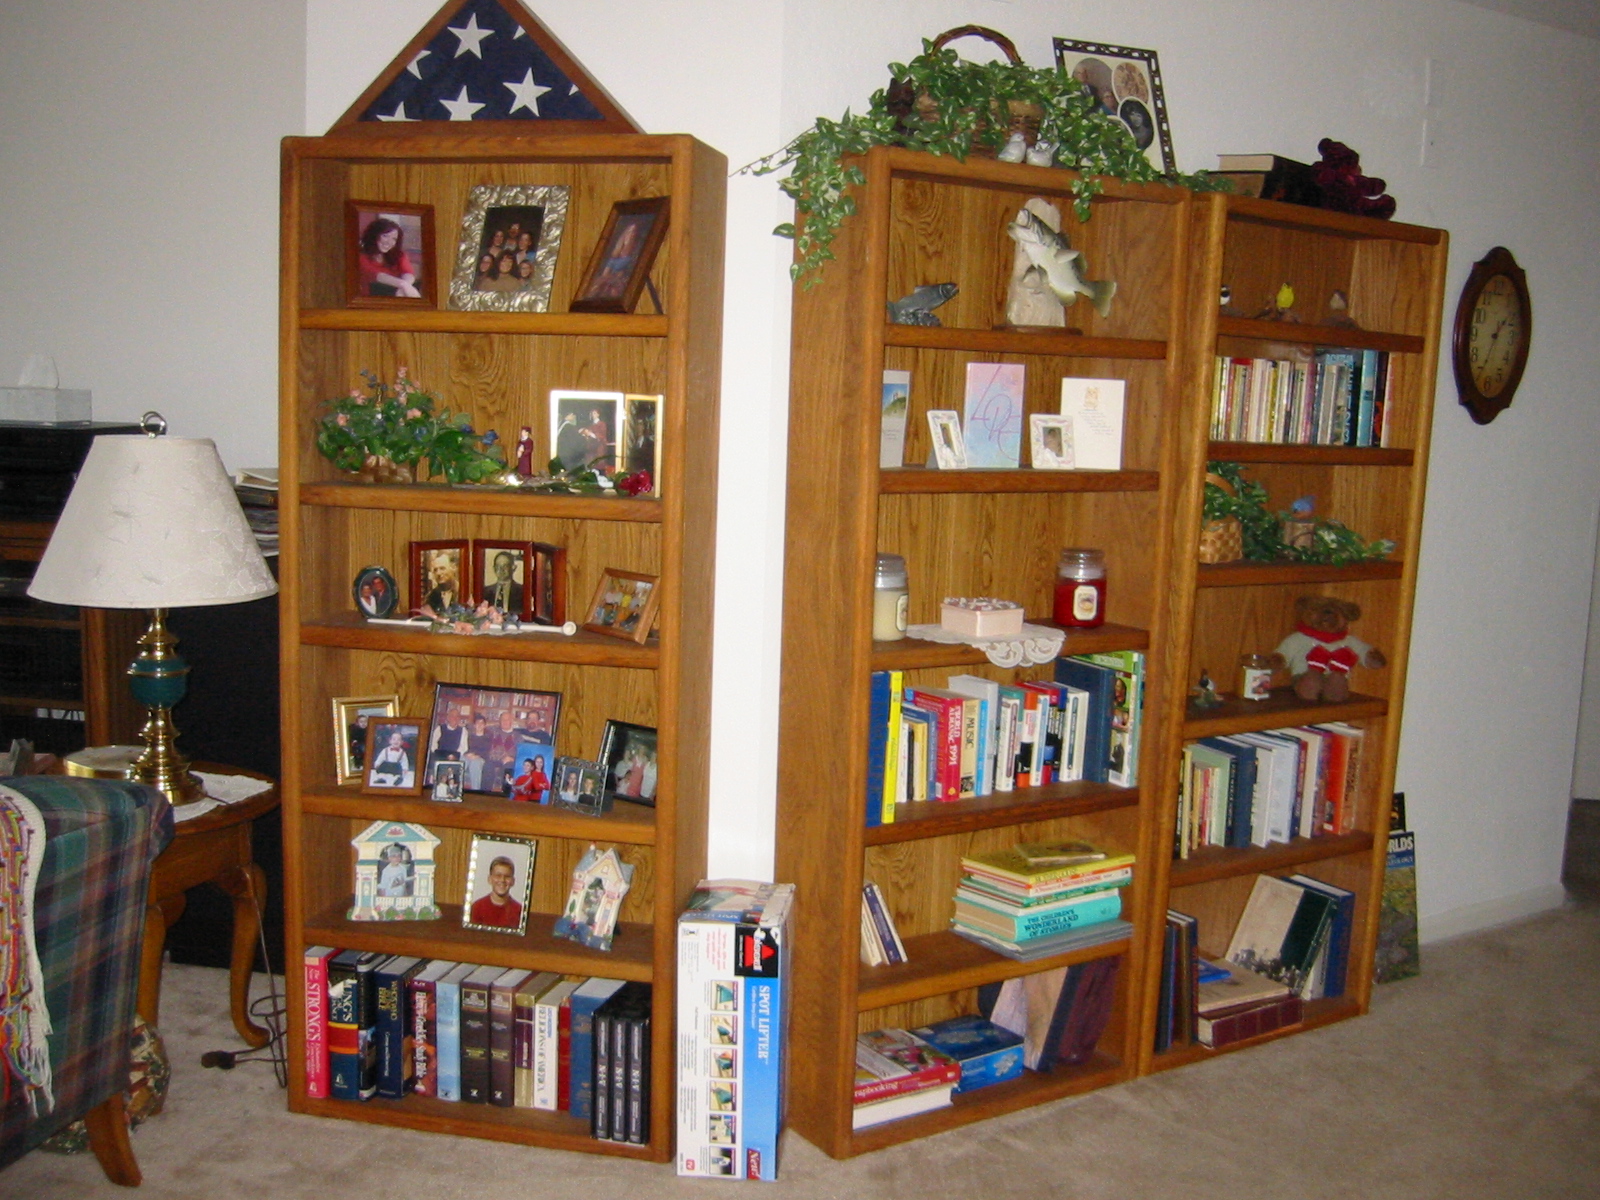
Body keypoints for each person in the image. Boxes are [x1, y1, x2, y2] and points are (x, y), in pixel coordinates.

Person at [357, 217, 420, 298]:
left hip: (398, 294)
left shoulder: (399, 255)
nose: (389, 242)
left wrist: (405, 287)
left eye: (394, 239)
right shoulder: (360, 257)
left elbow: (408, 273)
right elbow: (377, 276)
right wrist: (403, 285)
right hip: (373, 298)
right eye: (385, 236)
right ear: (374, 235)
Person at [469, 855, 522, 928]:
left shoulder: (519, 911)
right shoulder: (477, 908)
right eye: (498, 876)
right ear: (489, 879)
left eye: (507, 876)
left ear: (513, 881)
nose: (502, 880)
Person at [426, 704, 470, 782]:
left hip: (455, 755)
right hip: (440, 754)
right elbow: (433, 744)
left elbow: (464, 747)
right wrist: (440, 754)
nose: (454, 718)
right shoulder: (440, 728)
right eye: (452, 716)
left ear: (459, 719)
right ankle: (433, 782)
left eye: (457, 716)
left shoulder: (463, 730)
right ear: (448, 717)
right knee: (433, 760)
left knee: (456, 764)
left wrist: (454, 755)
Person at [484, 550, 523, 615]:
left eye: (505, 566)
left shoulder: (522, 591)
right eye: (498, 566)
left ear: (513, 567)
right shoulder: (485, 591)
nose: (501, 569)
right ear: (494, 568)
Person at [465, 714, 492, 791]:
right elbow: (466, 748)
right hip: (469, 756)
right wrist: (467, 754)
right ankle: (455, 785)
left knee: (475, 763)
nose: (479, 725)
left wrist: (476, 756)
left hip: (481, 758)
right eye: (477, 723)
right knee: (461, 760)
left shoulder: (488, 738)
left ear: (484, 725)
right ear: (474, 725)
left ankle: (475, 790)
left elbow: (487, 751)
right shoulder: (469, 736)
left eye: (482, 723)